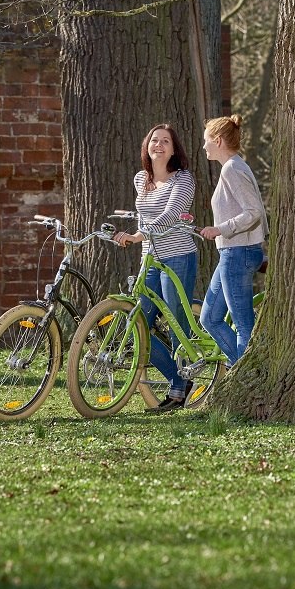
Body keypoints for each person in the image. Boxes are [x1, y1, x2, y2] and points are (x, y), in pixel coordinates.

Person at [113, 123, 197, 413]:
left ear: (174, 150)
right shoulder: (141, 179)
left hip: (178, 257)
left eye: (165, 141)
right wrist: (139, 242)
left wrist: (139, 235)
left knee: (176, 325)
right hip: (150, 260)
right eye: (154, 140)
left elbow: (172, 214)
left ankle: (180, 386)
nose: (158, 145)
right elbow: (142, 217)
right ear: (147, 146)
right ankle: (179, 379)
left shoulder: (183, 179)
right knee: (138, 326)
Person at [199, 114, 268, 366]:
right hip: (232, 253)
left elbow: (254, 212)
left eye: (206, 140)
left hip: (239, 253)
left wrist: (220, 229)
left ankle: (249, 377)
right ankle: (239, 370)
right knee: (209, 318)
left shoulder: (232, 169)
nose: (204, 146)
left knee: (243, 326)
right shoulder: (233, 167)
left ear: (218, 140)